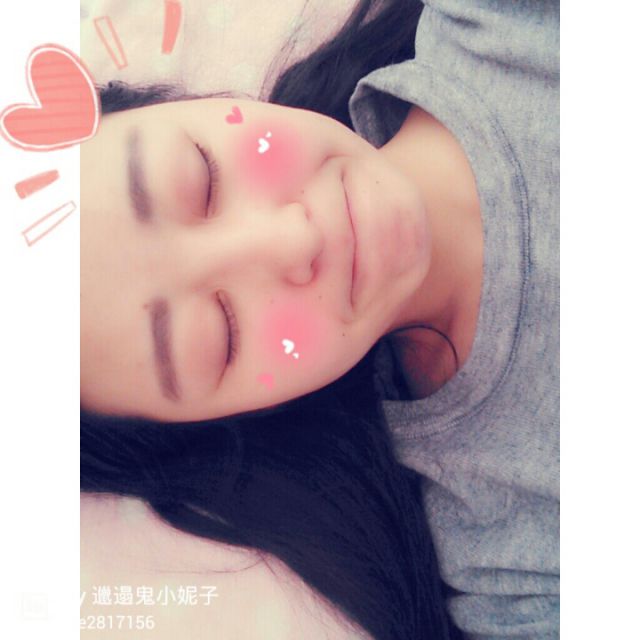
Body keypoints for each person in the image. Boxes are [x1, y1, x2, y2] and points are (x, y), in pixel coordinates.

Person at [81, 0, 559, 638]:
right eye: (218, 338)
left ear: (186, 103)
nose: (294, 241)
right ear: (242, 414)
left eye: (201, 178)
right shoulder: (506, 570)